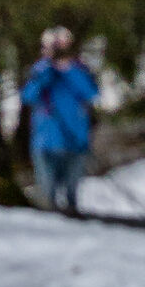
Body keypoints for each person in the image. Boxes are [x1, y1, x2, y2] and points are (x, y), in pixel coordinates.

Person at [21, 26, 99, 214]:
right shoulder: (40, 71)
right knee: (48, 193)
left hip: (75, 140)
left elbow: (91, 93)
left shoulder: (79, 70)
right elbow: (28, 97)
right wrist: (47, 71)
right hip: (46, 141)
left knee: (72, 192)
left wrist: (69, 69)